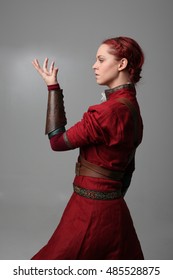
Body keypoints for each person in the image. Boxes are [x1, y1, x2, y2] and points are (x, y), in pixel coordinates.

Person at [31, 36, 144, 260]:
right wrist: (112, 198)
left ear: (121, 64)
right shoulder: (132, 108)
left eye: (101, 59)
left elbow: (57, 142)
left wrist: (52, 87)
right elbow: (128, 167)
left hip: (90, 209)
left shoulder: (107, 112)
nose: (94, 65)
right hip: (115, 209)